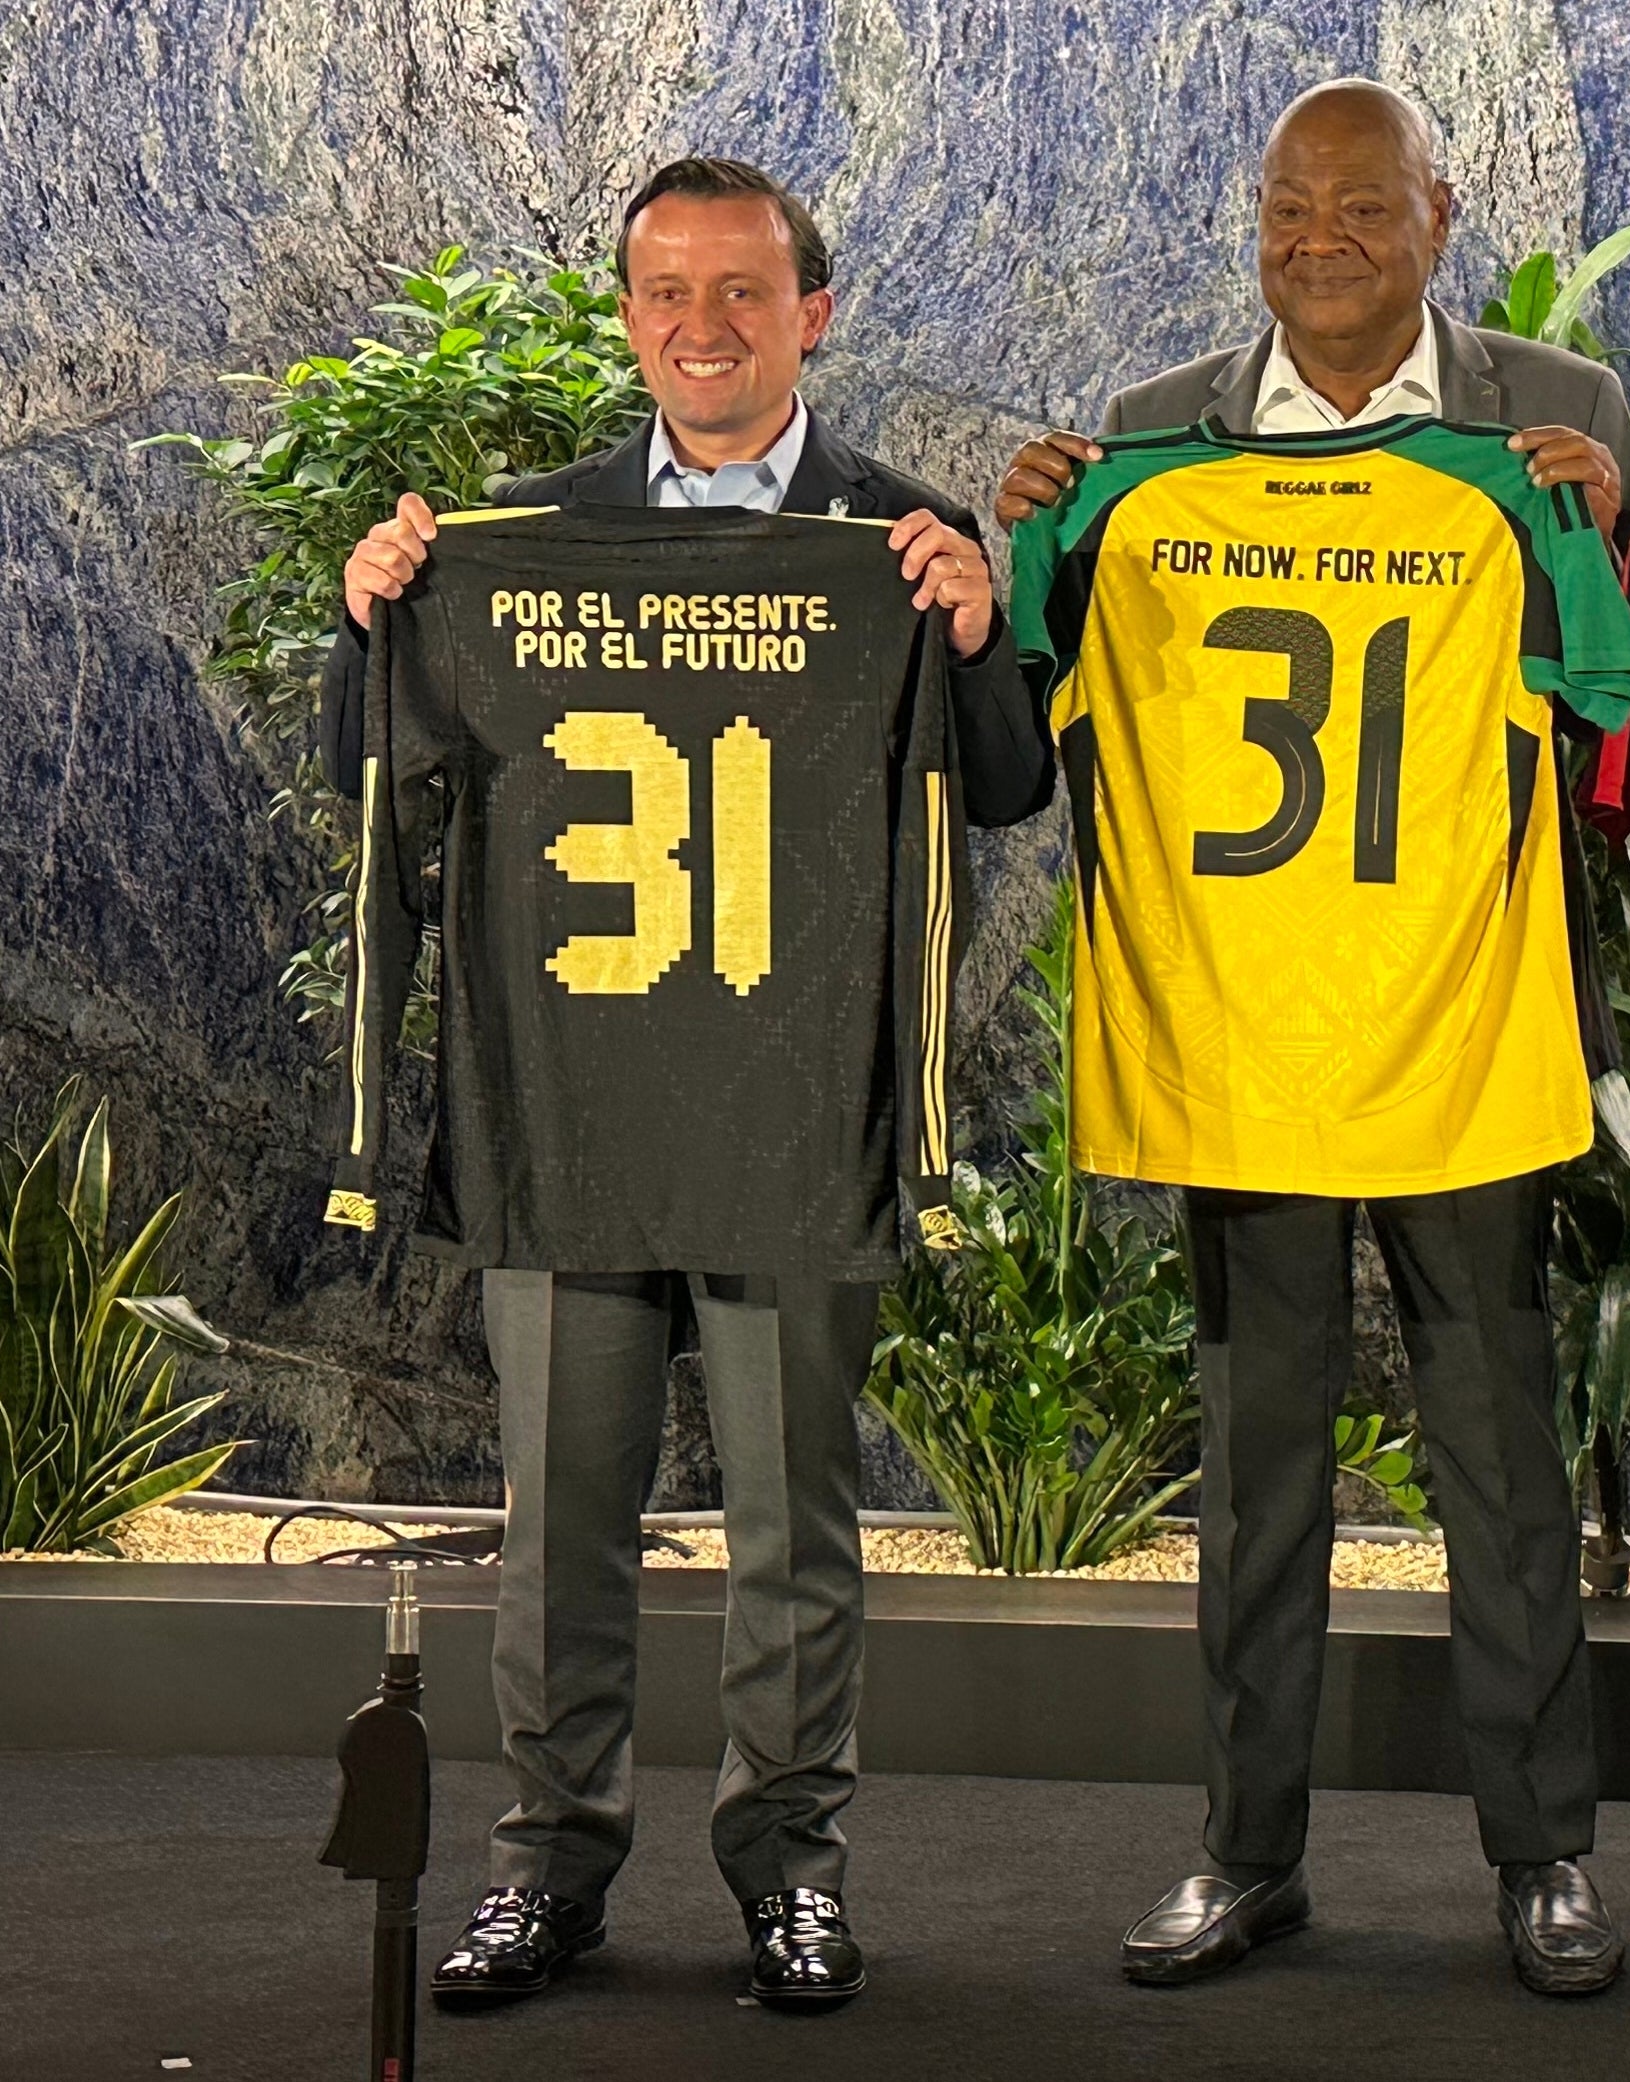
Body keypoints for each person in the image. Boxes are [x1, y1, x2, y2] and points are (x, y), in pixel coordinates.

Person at [321, 154, 1051, 2012]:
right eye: (668, 294)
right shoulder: (524, 528)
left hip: (801, 1112)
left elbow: (1014, 779)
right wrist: (374, 615)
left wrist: (972, 634)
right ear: (627, 313)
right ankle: (548, 1863)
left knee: (795, 1511)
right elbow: (376, 759)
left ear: (815, 312)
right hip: (572, 1106)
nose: (704, 330)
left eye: (744, 294)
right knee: (560, 1513)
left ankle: (787, 1864)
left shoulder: (899, 532)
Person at [991, 79, 1630, 1997]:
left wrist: (1592, 531)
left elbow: (1616, 704)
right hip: (1245, 1034)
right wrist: (1022, 548)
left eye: (1360, 206)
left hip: (1464, 1022)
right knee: (1258, 1460)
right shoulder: (1147, 443)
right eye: (1288, 209)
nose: (1320, 239)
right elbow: (1028, 721)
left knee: (1501, 1458)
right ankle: (1243, 1848)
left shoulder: (1552, 423)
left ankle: (1547, 1858)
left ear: (1442, 213)